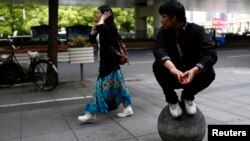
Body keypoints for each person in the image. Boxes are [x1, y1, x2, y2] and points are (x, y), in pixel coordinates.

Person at [153, 0, 217, 118]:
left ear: (173, 18)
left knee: (210, 72)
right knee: (157, 65)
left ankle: (187, 96)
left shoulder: (197, 30)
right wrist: (172, 68)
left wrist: (194, 70)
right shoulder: (163, 32)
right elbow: (158, 50)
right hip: (173, 75)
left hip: (191, 75)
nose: (161, 20)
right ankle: (172, 100)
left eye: (163, 17)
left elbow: (211, 53)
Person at [78, 5, 133, 123]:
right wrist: (95, 26)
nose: (97, 15)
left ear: (105, 14)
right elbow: (92, 40)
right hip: (106, 63)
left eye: (99, 13)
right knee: (119, 87)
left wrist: (101, 22)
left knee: (98, 88)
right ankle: (128, 108)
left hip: (109, 63)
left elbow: (108, 39)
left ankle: (91, 114)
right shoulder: (101, 26)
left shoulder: (111, 27)